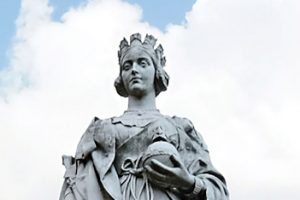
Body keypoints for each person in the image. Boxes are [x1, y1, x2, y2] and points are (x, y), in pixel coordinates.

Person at [59, 33, 229, 200]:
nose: (134, 70)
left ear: (157, 71)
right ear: (121, 77)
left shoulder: (180, 128)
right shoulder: (102, 129)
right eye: (127, 66)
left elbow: (217, 190)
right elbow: (79, 187)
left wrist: (188, 183)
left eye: (142, 63)